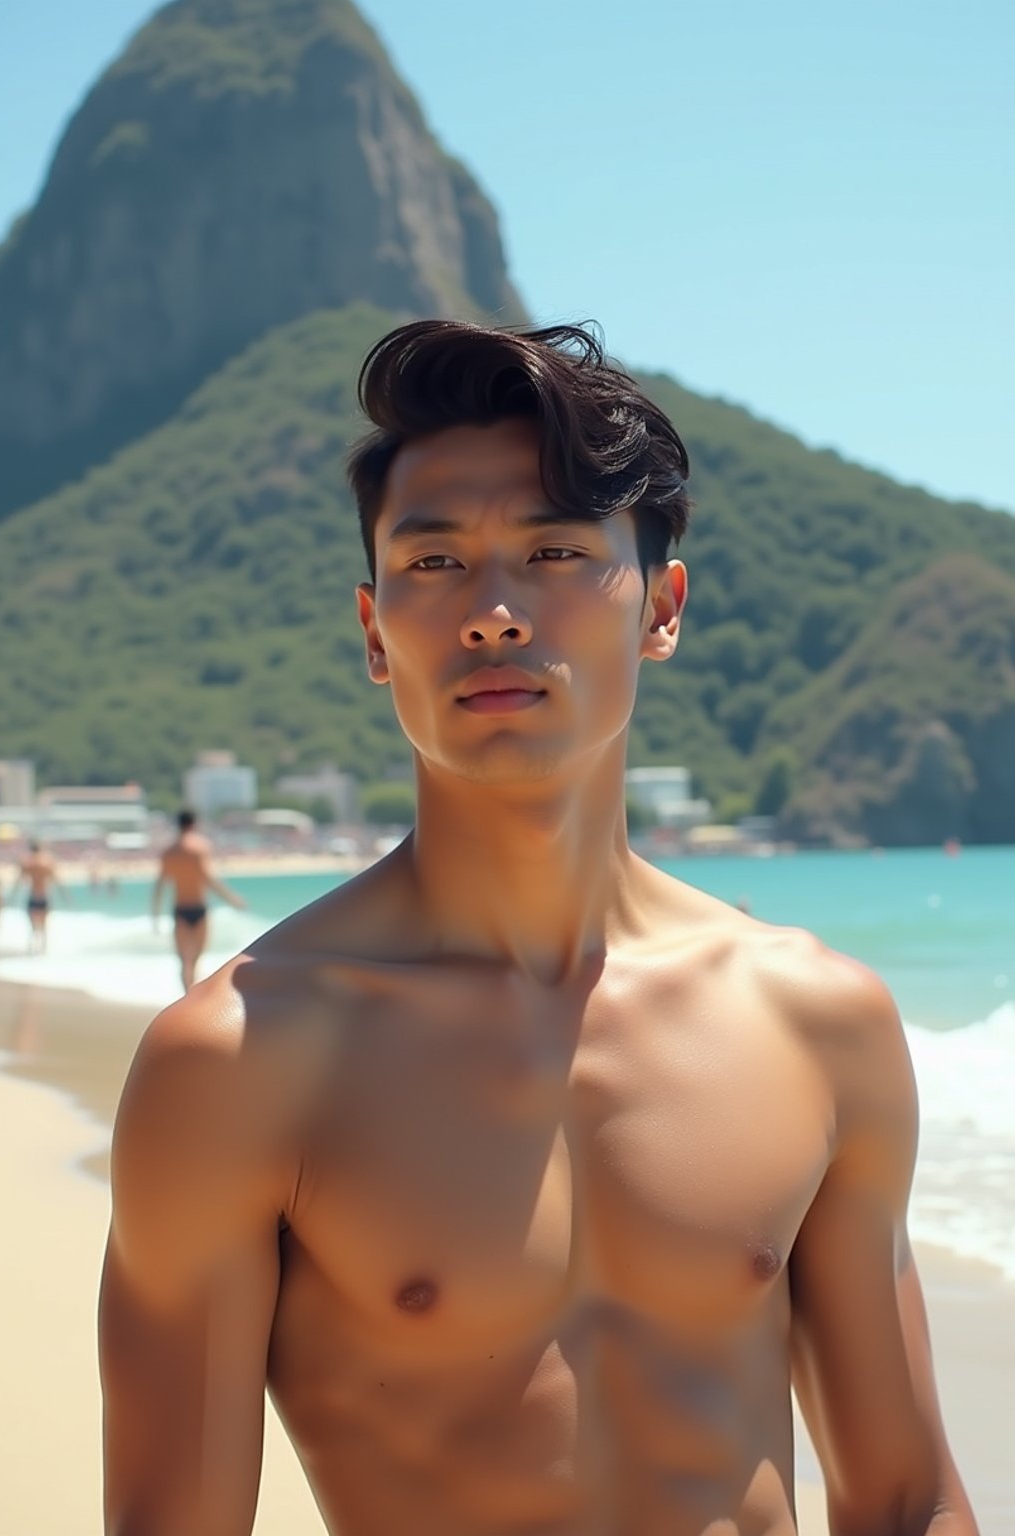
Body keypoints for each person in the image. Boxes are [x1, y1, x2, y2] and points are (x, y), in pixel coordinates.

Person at [100, 321, 977, 1536]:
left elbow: (905, 1498)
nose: (495, 613)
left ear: (661, 609)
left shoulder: (818, 1023)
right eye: (434, 563)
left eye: (556, 551)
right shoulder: (241, 1063)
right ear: (372, 631)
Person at [150, 809, 247, 992]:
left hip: (180, 909)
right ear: (194, 824)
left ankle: (186, 999)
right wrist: (233, 899)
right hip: (199, 908)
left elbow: (160, 885)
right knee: (195, 960)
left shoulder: (169, 852)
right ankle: (191, 1000)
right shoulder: (201, 847)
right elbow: (209, 878)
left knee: (184, 961)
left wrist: (155, 915)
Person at [12, 839, 63, 954]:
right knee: (44, 926)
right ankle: (43, 951)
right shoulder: (47, 863)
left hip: (33, 896)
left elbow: (19, 881)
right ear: (41, 848)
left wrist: (12, 897)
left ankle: (32, 950)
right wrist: (66, 897)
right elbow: (57, 880)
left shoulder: (27, 863)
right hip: (44, 896)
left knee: (33, 927)